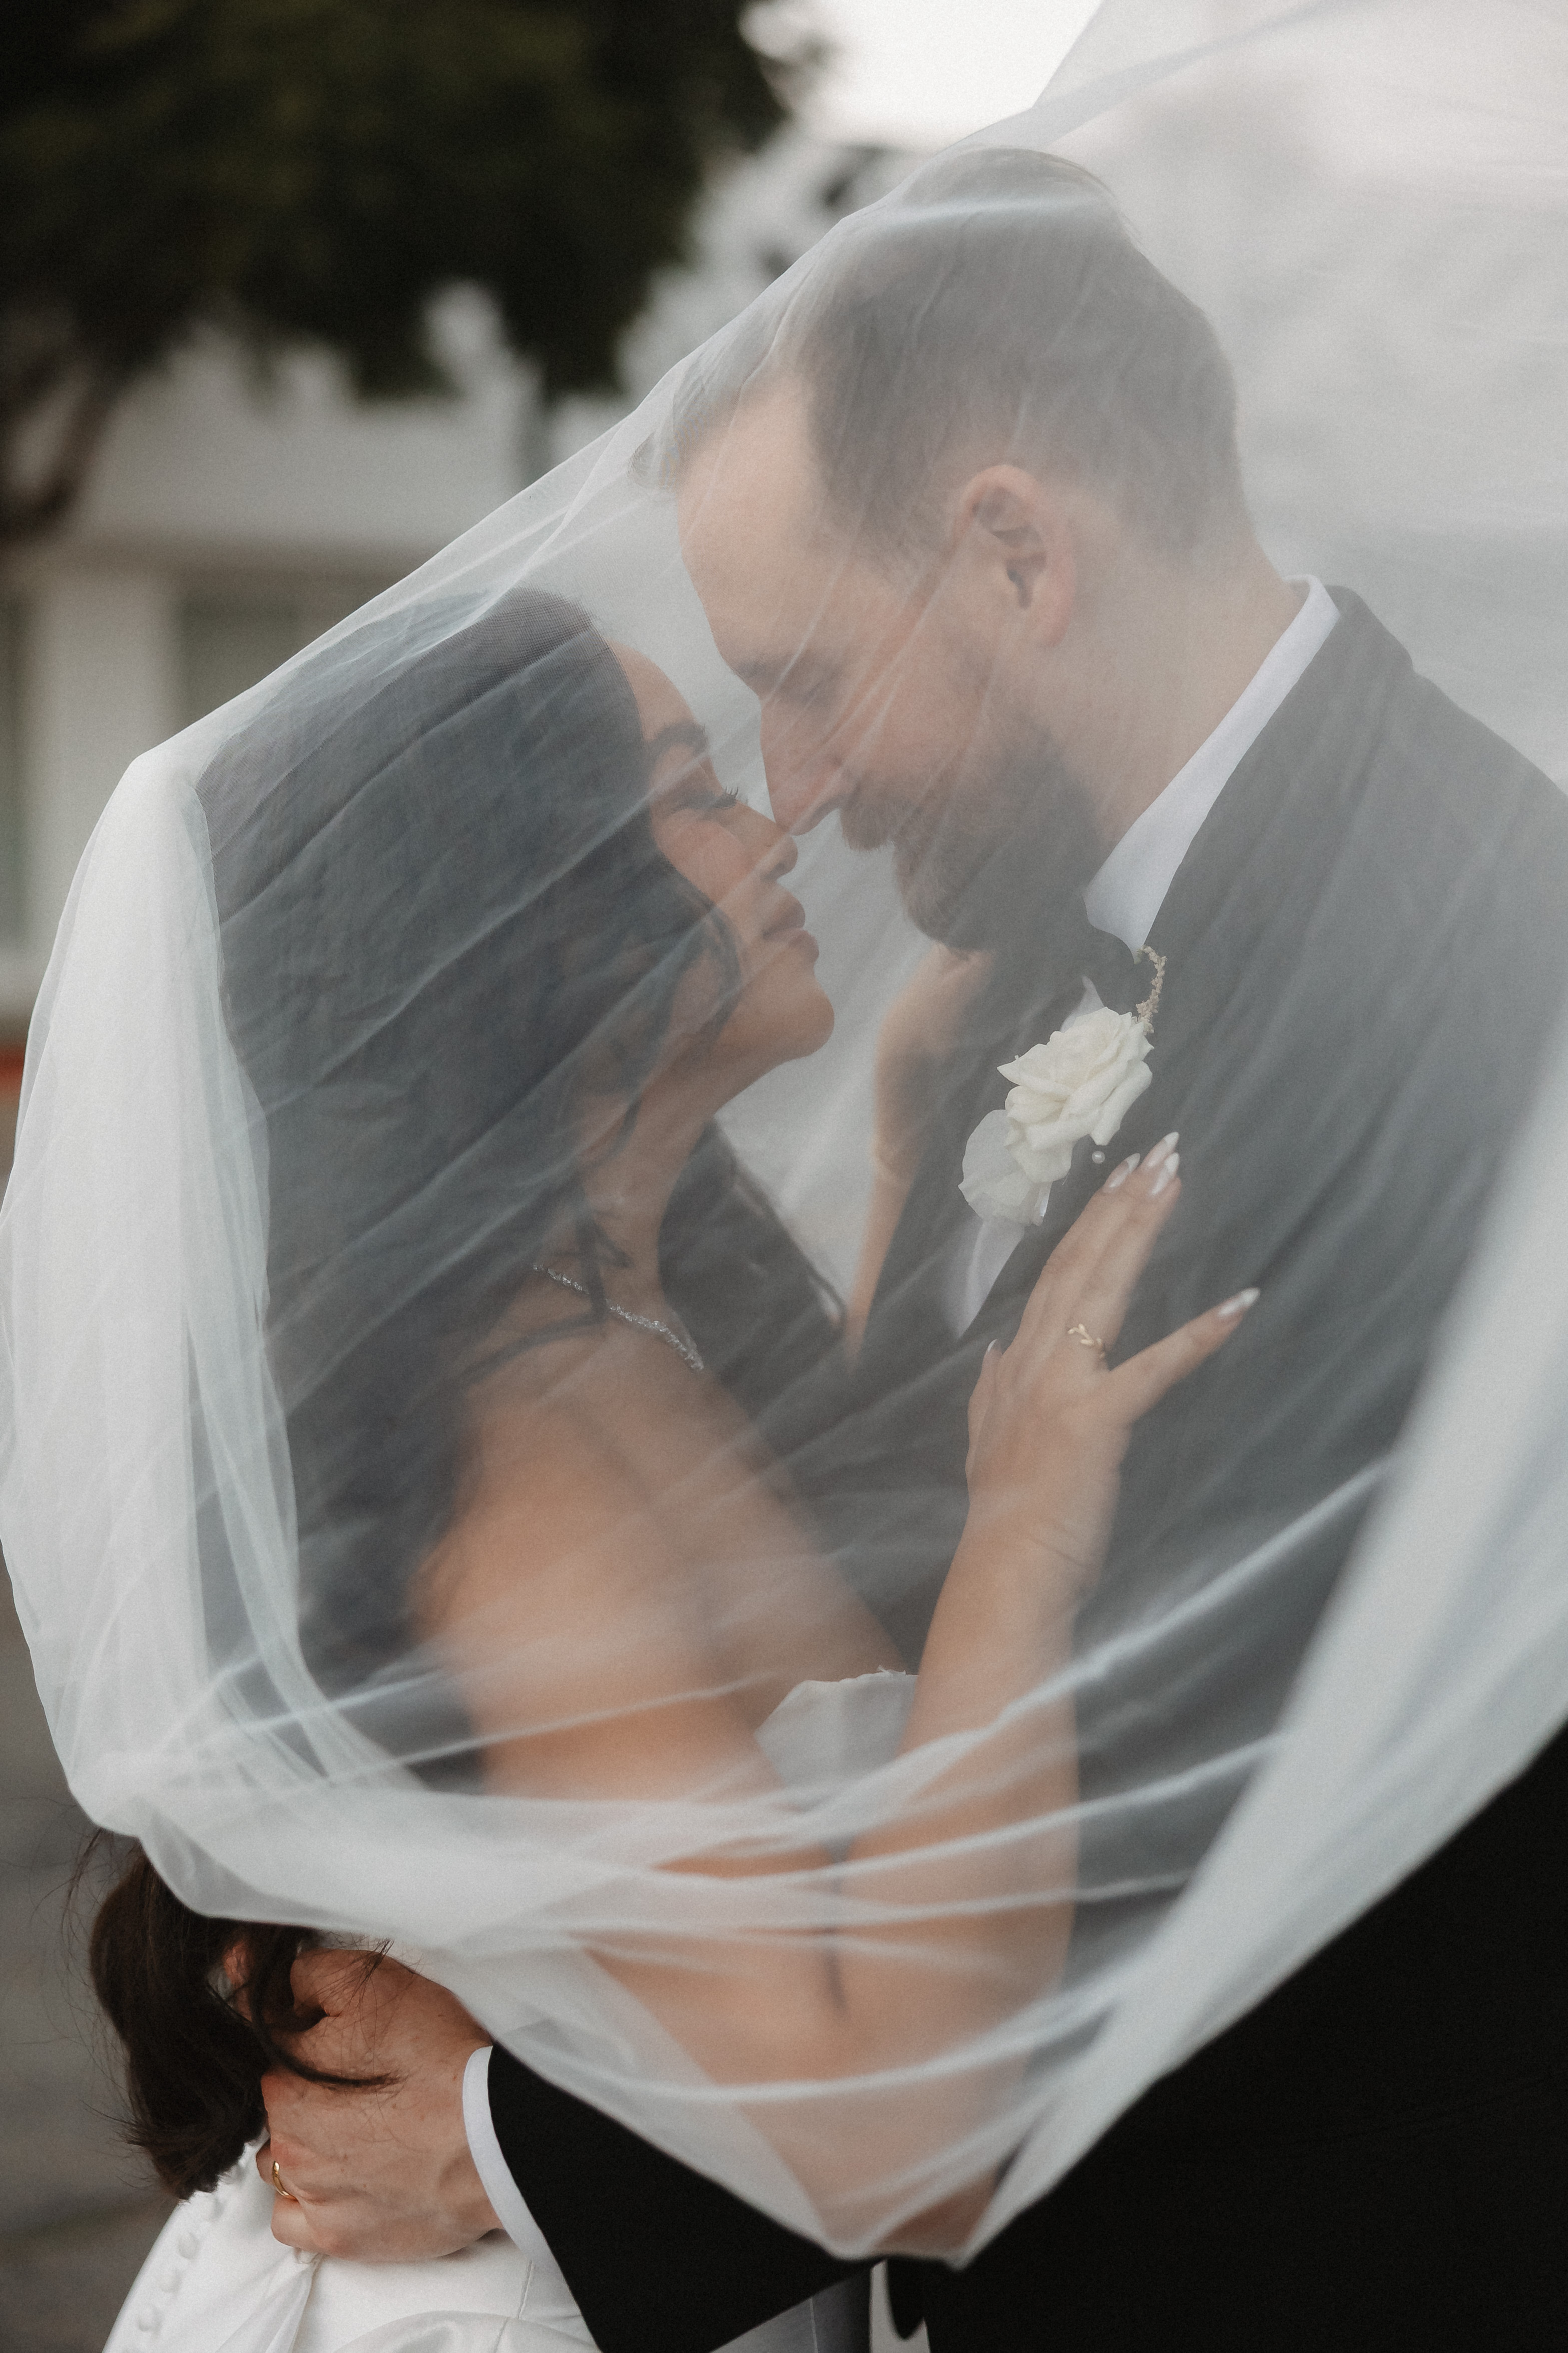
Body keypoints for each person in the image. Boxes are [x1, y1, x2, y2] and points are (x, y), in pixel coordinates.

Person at [253, 145, 1568, 2350]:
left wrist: (522, 2133)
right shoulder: (1026, 985)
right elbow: (849, 1580)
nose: (796, 788)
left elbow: (1169, 1787)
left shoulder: (1468, 967)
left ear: (1015, 554)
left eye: (806, 673)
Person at [86, 587, 1249, 2352]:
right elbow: (895, 2142)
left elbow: (783, 1618)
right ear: (518, 926)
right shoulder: (521, 1469)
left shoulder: (641, 1321)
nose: (776, 817)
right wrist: (1021, 1541)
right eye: (687, 792)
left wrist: (900, 1143)